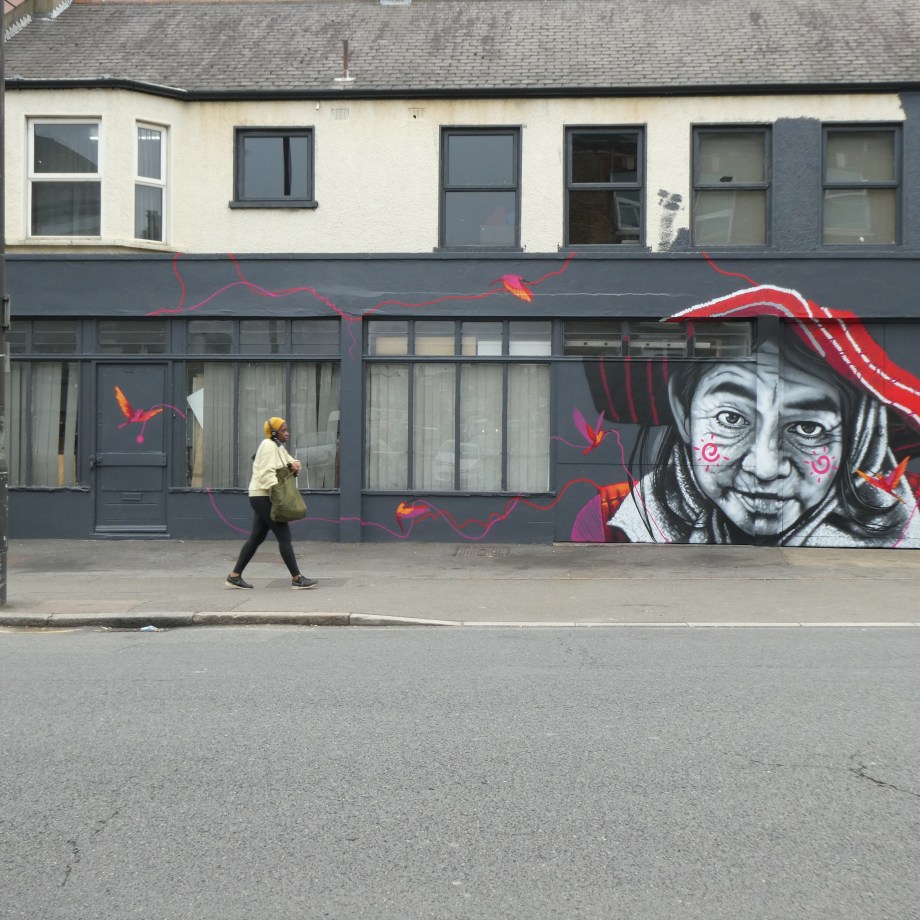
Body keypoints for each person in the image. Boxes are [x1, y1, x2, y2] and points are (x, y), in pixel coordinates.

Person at [574, 286, 920, 548]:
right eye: (730, 419)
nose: (765, 469)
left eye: (808, 428)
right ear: (683, 410)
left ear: (858, 433)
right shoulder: (613, 518)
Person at [226, 417, 317, 589]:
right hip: (264, 496)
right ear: (274, 432)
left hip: (263, 496)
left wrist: (295, 464)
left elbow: (290, 461)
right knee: (284, 536)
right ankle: (297, 579)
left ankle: (234, 576)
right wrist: (279, 497)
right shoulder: (268, 446)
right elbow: (267, 473)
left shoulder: (277, 446)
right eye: (283, 430)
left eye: (287, 430)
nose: (287, 433)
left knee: (256, 537)